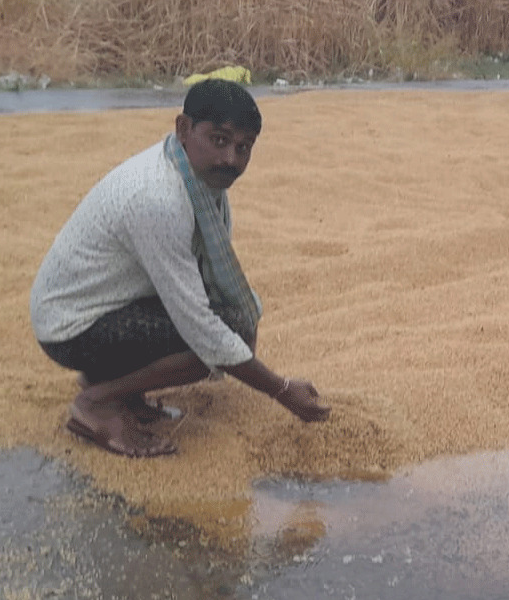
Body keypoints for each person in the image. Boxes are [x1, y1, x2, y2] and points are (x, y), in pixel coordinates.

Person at [30, 79, 330, 458]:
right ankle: (97, 403)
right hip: (69, 326)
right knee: (223, 334)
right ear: (183, 129)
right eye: (219, 140)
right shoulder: (157, 198)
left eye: (244, 147)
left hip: (104, 304)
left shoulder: (197, 180)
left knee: (232, 325)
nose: (231, 160)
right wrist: (281, 390)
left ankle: (115, 382)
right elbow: (201, 328)